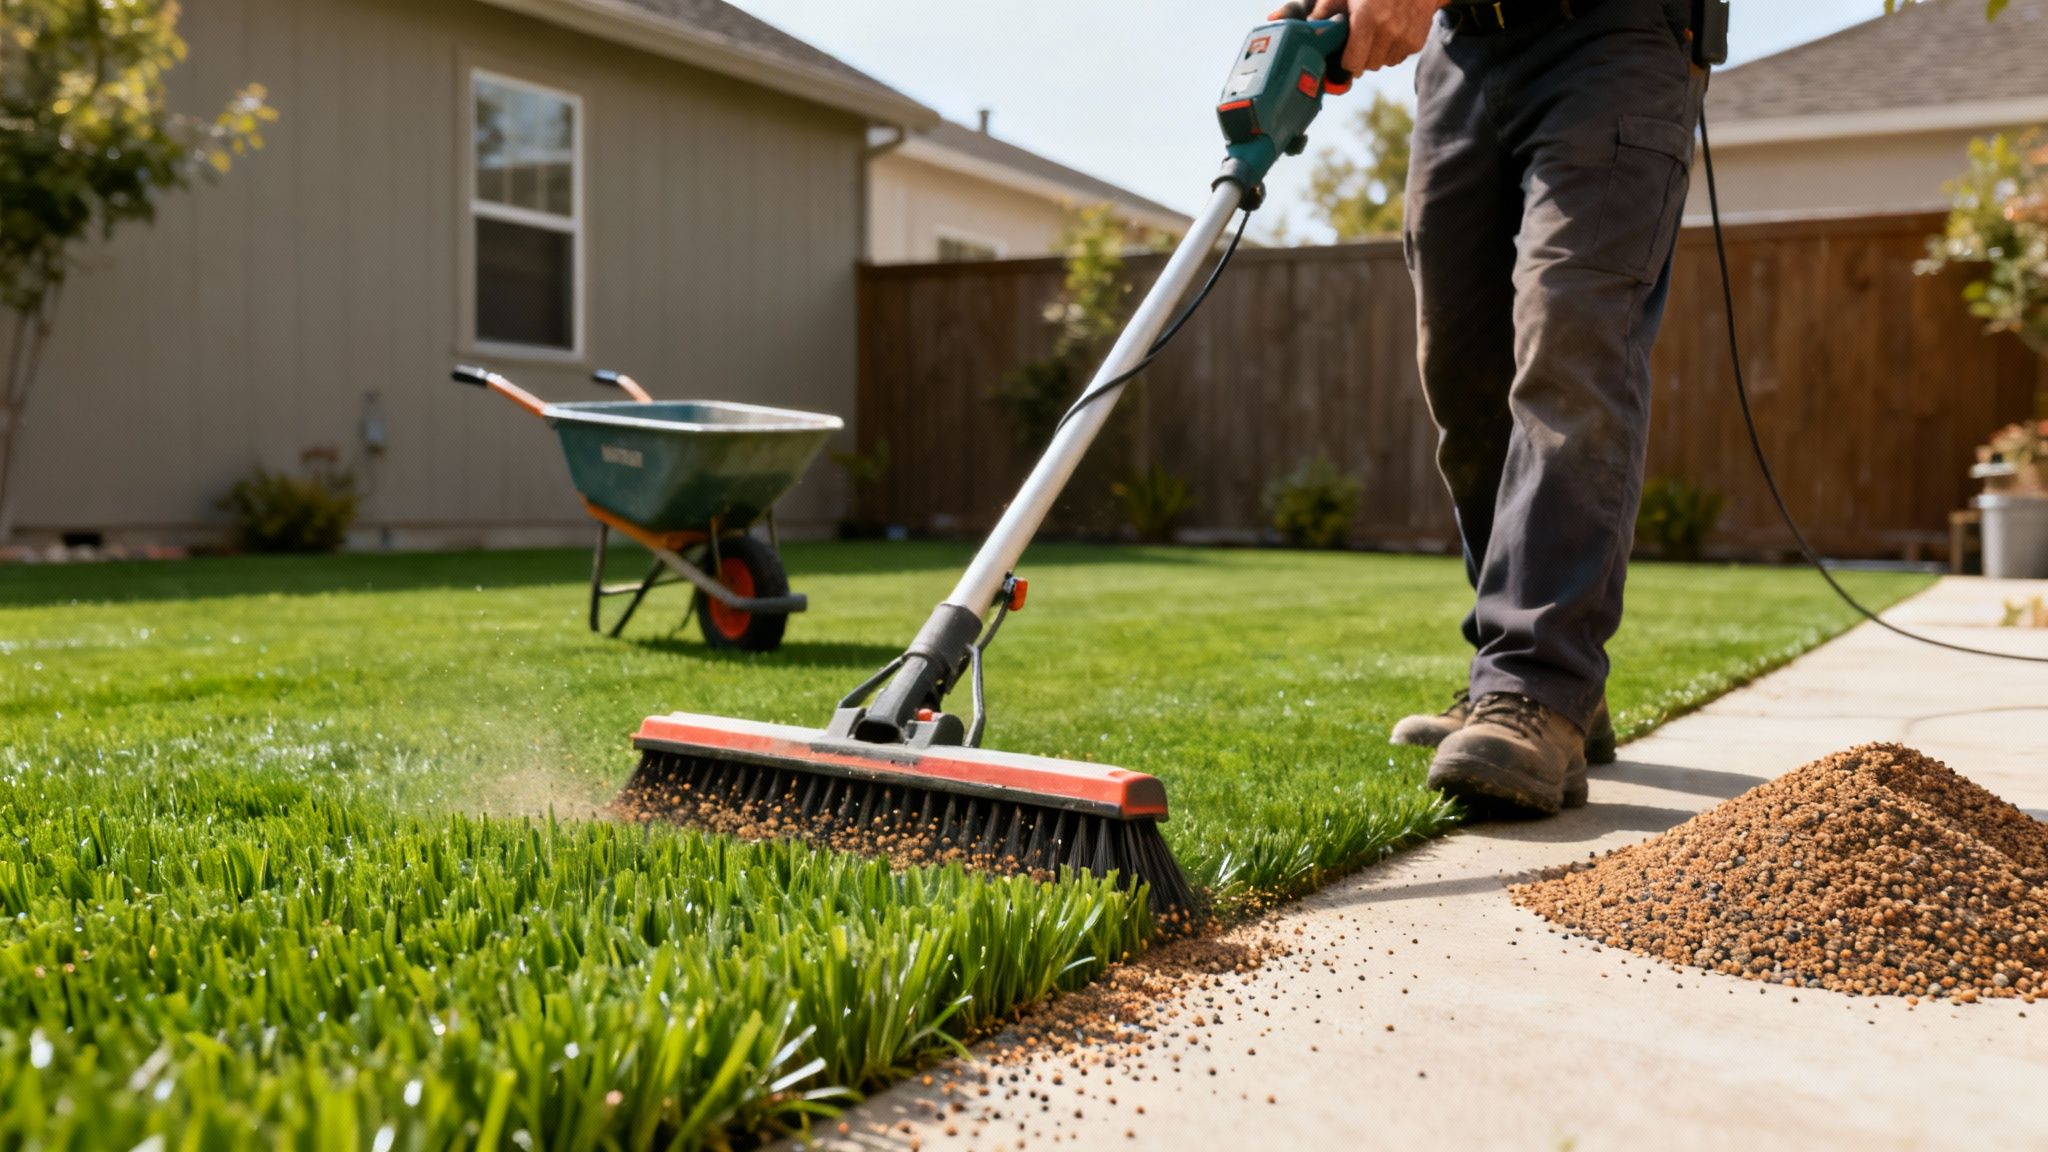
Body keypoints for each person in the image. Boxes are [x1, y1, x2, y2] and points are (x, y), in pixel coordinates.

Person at [1273, 0, 1704, 815]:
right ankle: (1545, 673)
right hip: (1464, 50)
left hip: (1611, 35)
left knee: (1570, 341)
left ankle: (1537, 679)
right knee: (1460, 370)